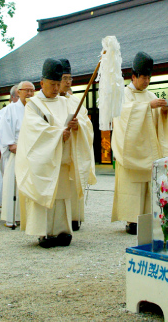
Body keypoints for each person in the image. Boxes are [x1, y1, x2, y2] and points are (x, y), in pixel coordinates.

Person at [15, 58, 91, 248]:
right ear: (42, 83)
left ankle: (62, 231)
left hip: (62, 159)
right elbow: (35, 131)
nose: (56, 88)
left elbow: (84, 122)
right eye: (52, 84)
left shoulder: (66, 103)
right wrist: (59, 134)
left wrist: (76, 126)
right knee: (44, 193)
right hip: (44, 160)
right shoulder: (33, 104)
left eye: (58, 84)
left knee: (62, 197)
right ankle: (45, 233)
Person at [111, 52, 168, 235]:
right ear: (133, 77)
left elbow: (158, 118)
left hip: (147, 150)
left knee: (147, 187)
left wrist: (165, 111)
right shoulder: (124, 94)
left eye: (148, 78)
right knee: (132, 187)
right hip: (132, 149)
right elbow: (123, 116)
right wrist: (148, 107)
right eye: (143, 77)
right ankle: (132, 221)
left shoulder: (150, 95)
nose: (146, 81)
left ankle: (148, 217)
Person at [58, 58, 97, 232]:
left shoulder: (75, 101)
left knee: (74, 183)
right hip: (58, 151)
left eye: (69, 79)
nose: (67, 82)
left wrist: (78, 126)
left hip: (74, 148)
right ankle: (60, 220)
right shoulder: (48, 101)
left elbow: (87, 124)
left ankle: (74, 217)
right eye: (64, 78)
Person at [0, 81, 35, 228]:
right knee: (14, 184)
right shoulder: (10, 109)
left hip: (33, 152)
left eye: (32, 91)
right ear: (18, 92)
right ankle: (13, 217)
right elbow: (4, 129)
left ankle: (29, 216)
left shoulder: (36, 108)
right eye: (26, 90)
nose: (29, 93)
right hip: (17, 150)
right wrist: (12, 145)